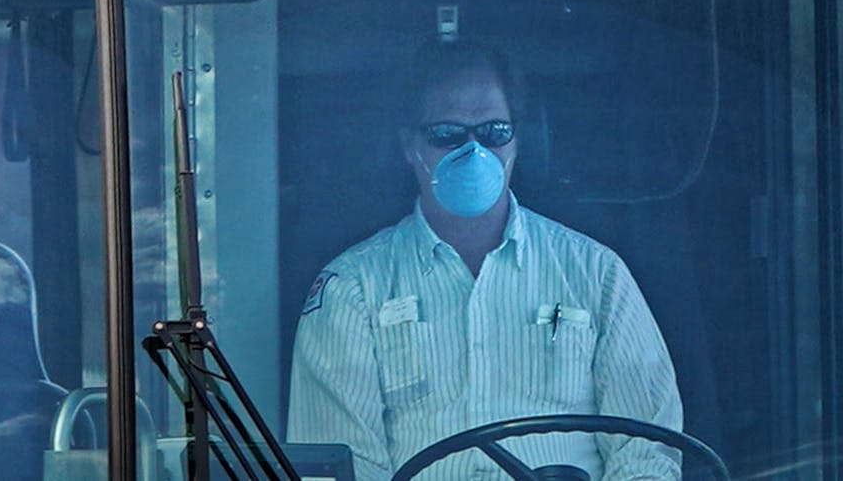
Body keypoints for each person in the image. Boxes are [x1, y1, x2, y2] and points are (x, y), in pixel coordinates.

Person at [287, 39, 683, 480]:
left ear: (518, 140)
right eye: (447, 135)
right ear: (408, 146)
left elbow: (647, 449)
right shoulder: (351, 289)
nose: (473, 152)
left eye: (494, 133)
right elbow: (342, 467)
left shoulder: (597, 274)